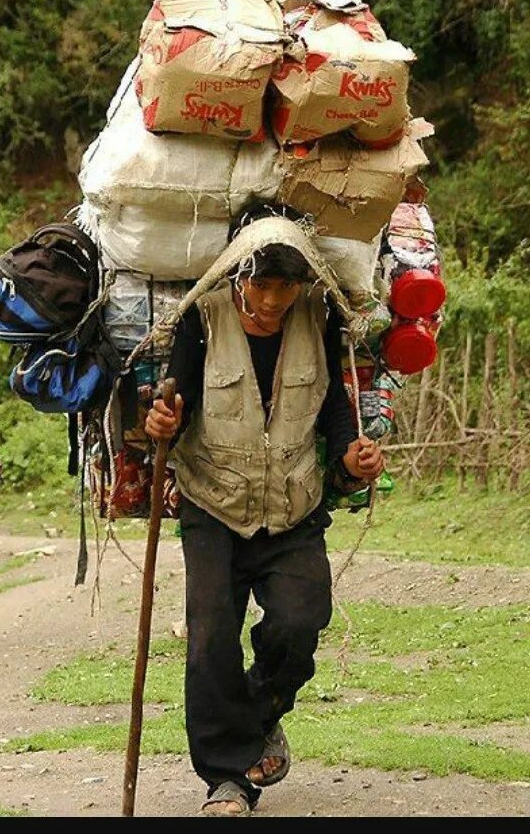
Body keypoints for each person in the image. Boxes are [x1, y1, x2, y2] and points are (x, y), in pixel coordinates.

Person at [143, 208, 385, 817]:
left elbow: (334, 408)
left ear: (305, 283)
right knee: (210, 641)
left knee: (300, 623)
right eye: (262, 285)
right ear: (236, 277)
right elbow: (175, 402)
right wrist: (162, 424)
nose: (274, 299)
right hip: (212, 505)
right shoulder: (204, 317)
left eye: (287, 286)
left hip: (293, 505)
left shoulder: (320, 319)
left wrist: (353, 457)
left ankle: (260, 714)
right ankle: (227, 779)